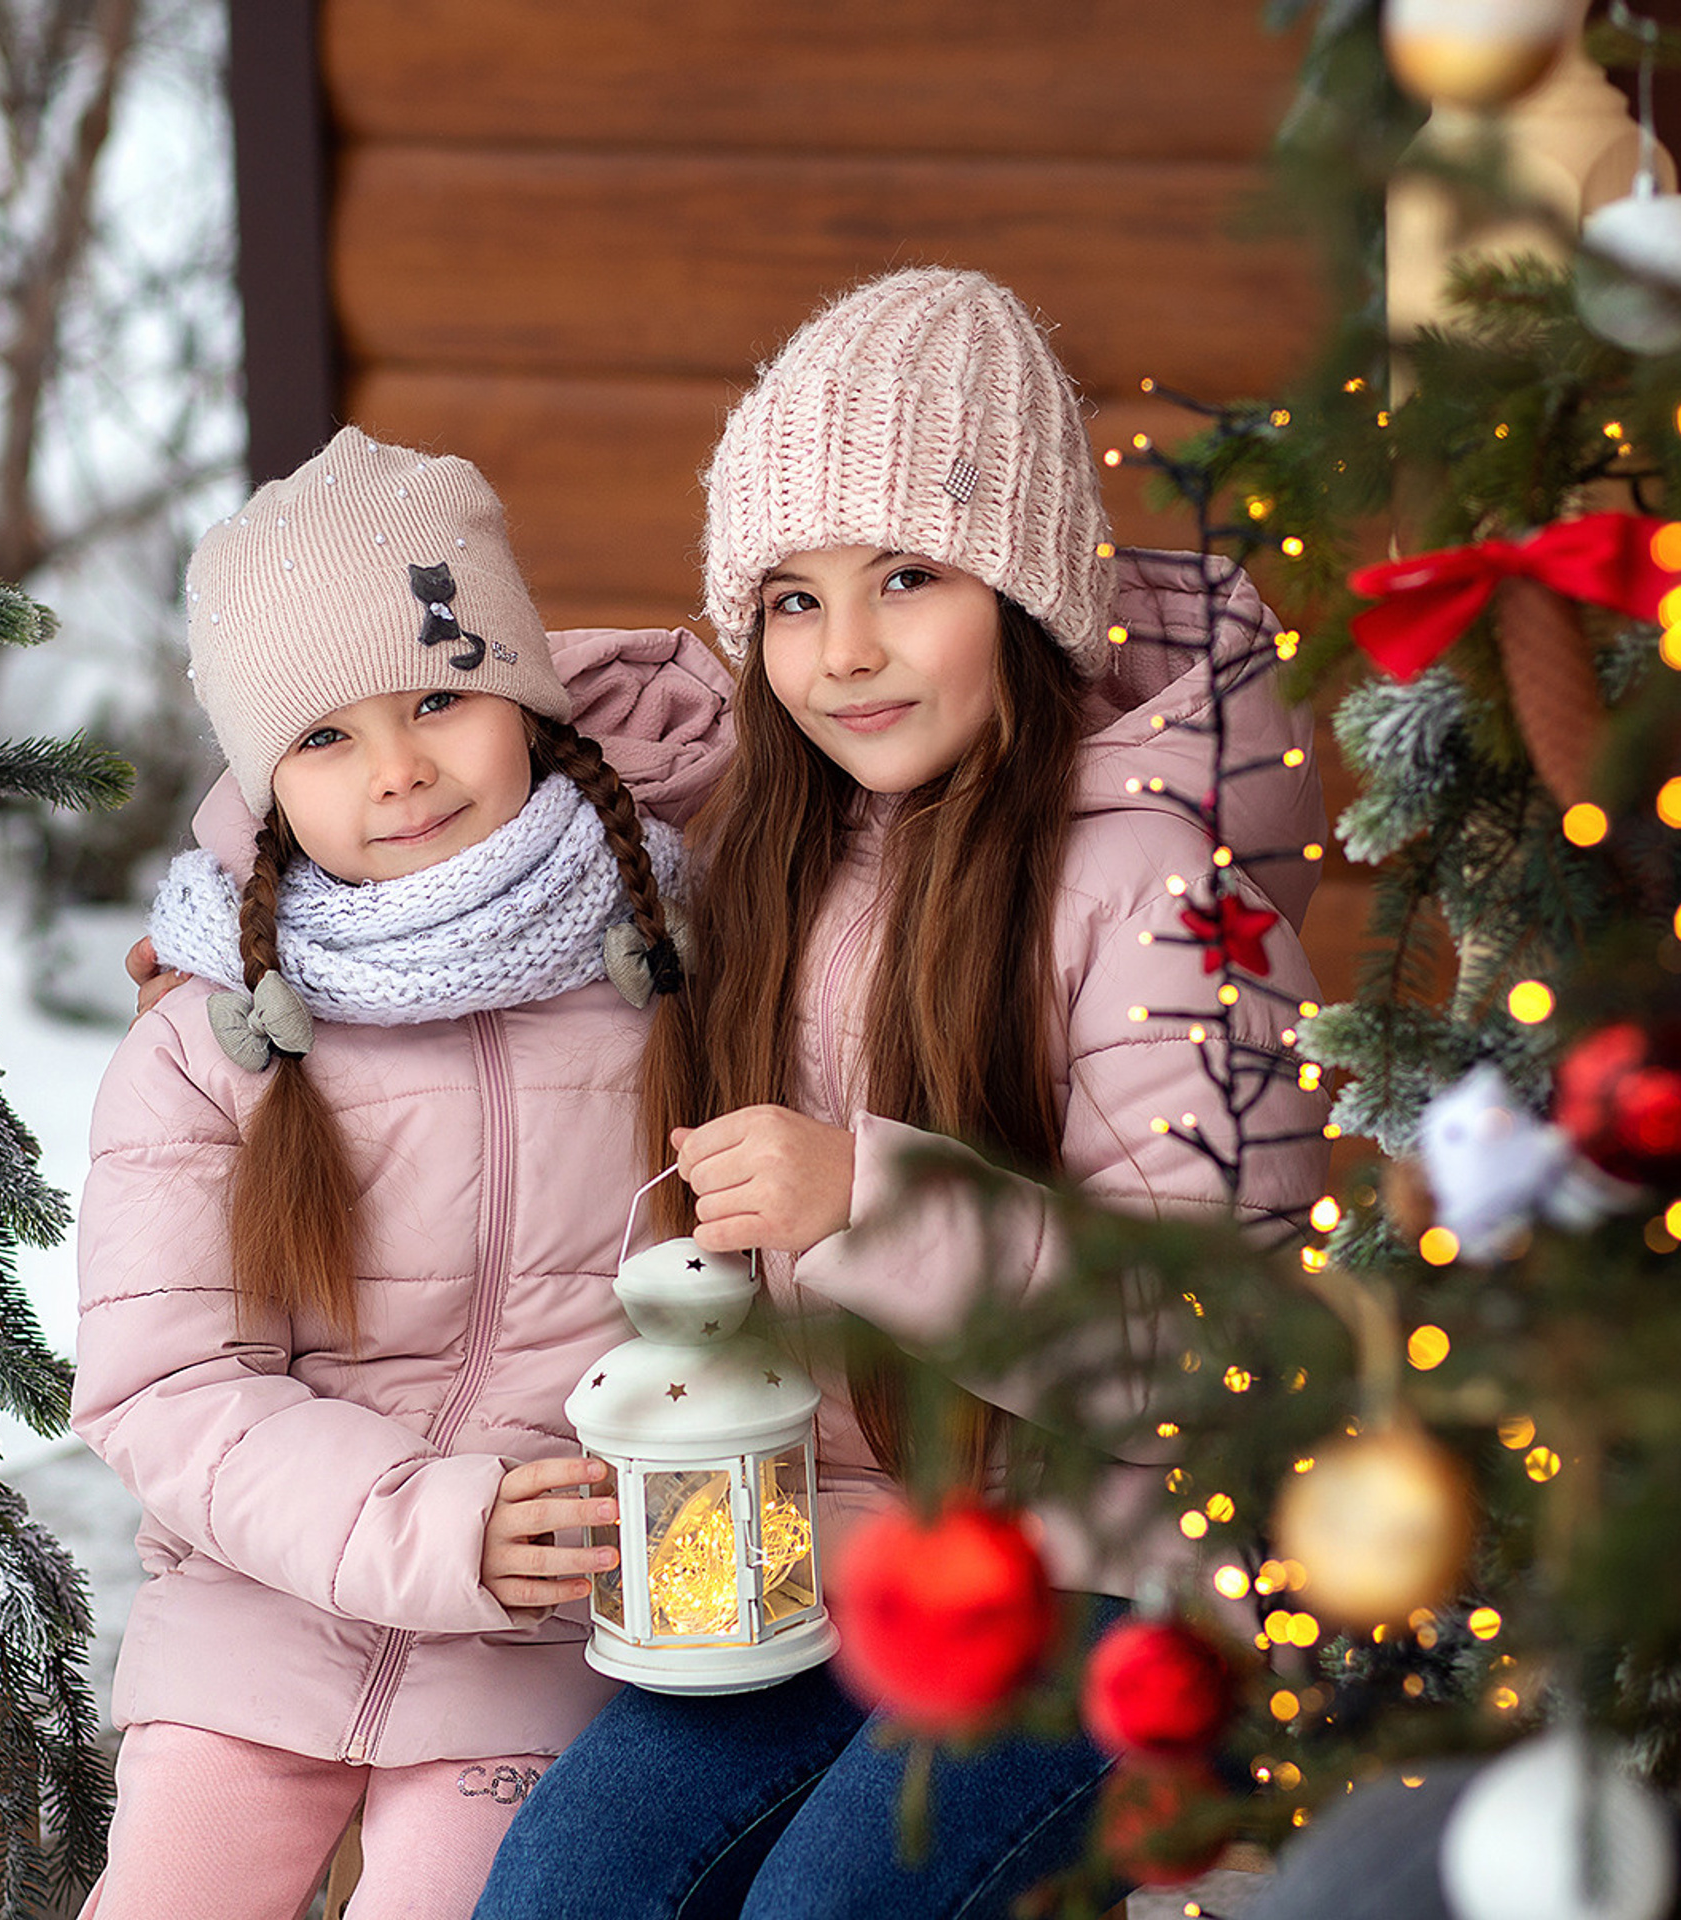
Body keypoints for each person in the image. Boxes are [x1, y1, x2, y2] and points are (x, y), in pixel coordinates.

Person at [469, 267, 1332, 1919]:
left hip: (1121, 1593)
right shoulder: (770, 866)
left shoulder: (1160, 894)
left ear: (1026, 591)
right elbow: (428, 770)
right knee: (562, 1888)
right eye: (788, 597)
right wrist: (240, 933)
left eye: (909, 578)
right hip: (825, 1573)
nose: (842, 652)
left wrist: (873, 1203)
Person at [71, 428, 723, 1920]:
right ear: (262, 776)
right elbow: (158, 1386)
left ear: (527, 701)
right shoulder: (208, 1046)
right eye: (325, 736)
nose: (402, 769)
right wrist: (441, 1528)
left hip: (540, 1657)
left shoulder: (679, 978)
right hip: (251, 1628)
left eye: (440, 697)